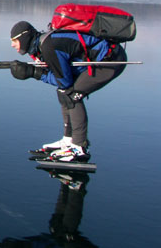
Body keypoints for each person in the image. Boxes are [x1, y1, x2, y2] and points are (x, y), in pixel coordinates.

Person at [8, 20, 127, 162]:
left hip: (110, 59)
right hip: (101, 59)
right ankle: (69, 140)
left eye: (14, 40)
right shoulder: (43, 45)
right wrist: (38, 72)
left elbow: (64, 81)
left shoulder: (49, 46)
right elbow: (62, 76)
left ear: (24, 37)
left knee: (71, 95)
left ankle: (79, 147)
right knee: (63, 92)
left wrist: (35, 73)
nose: (12, 44)